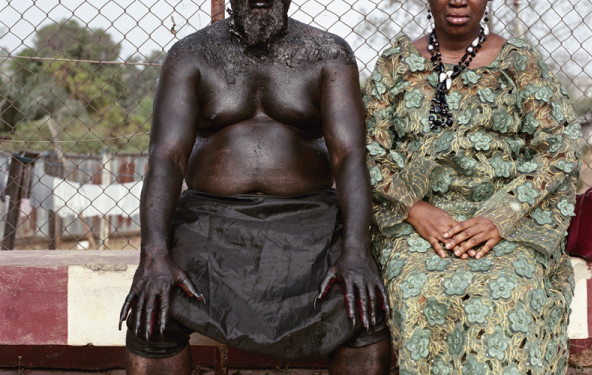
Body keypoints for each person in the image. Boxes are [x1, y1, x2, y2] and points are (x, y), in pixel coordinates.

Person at [118, 1, 391, 374]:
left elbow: (349, 156)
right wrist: (153, 254)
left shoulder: (328, 53)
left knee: (362, 309)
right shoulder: (190, 54)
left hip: (309, 219)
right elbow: (167, 157)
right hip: (209, 219)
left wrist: (356, 250)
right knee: (154, 313)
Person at [363, 0, 581, 373]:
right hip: (417, 224)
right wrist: (416, 209)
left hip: (507, 225)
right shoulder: (394, 65)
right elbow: (367, 150)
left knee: (507, 292)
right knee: (418, 289)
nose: (458, 0)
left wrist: (501, 216)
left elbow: (558, 149)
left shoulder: (520, 64)